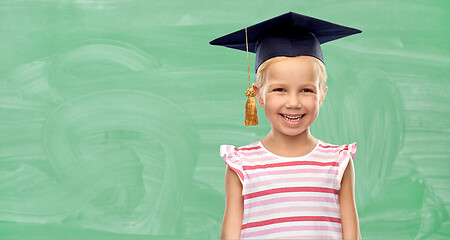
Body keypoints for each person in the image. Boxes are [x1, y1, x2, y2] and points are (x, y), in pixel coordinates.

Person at [210, 12, 362, 239]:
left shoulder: (338, 161)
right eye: (280, 89)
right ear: (258, 94)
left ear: (322, 95)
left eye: (307, 90)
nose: (293, 103)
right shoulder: (241, 165)